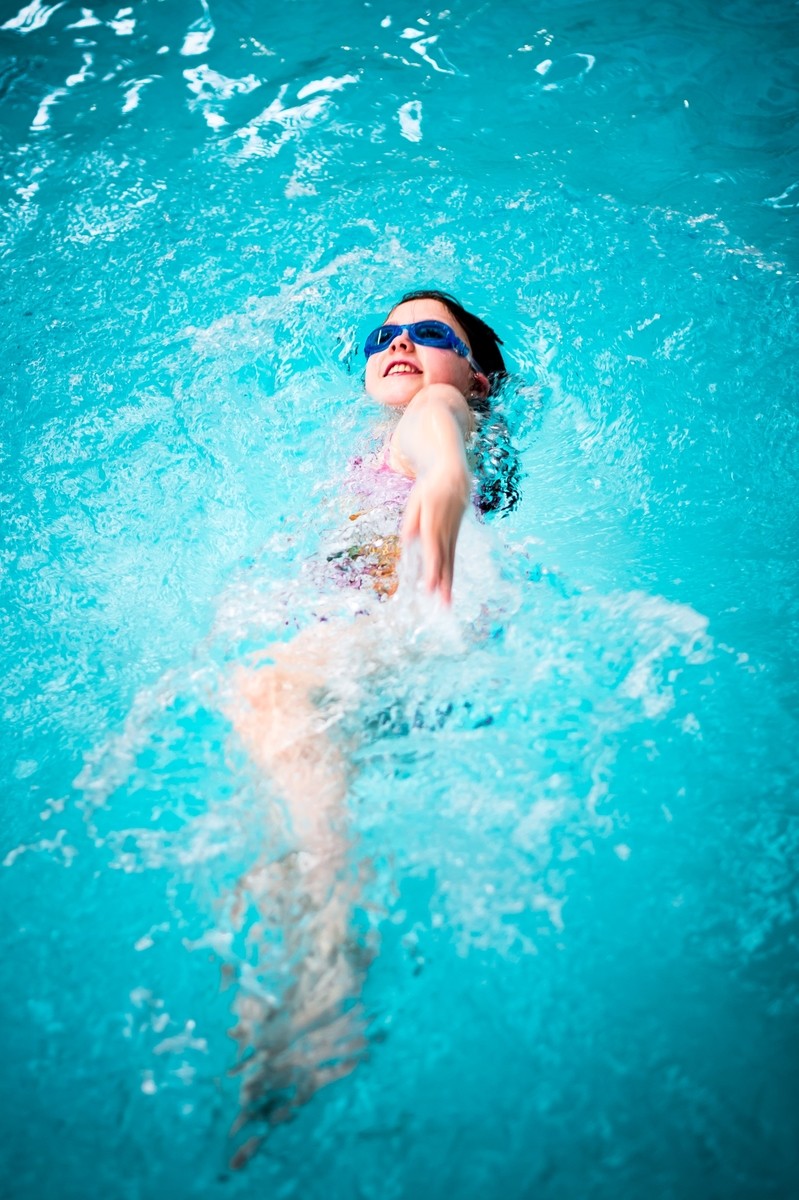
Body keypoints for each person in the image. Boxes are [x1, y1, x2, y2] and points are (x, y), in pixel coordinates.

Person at [226, 290, 508, 1167]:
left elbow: (438, 440)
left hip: (424, 619)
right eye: (382, 336)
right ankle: (285, 1003)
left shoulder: (439, 408)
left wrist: (446, 479)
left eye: (431, 335)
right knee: (271, 793)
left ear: (479, 374)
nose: (401, 347)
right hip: (398, 641)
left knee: (271, 694)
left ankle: (335, 964)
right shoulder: (358, 454)